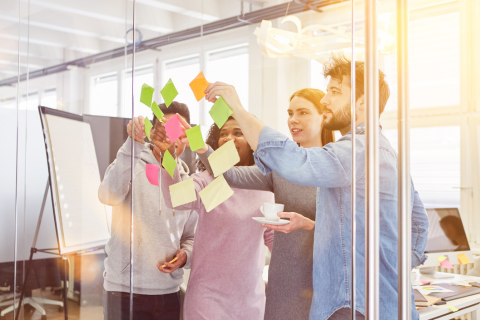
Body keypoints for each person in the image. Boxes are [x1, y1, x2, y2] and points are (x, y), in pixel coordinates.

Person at [203, 55, 429, 320]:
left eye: (334, 92)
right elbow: (418, 225)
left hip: (352, 305)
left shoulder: (358, 151)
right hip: (380, 302)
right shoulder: (386, 151)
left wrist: (239, 109)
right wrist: (388, 271)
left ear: (363, 103)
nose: (325, 100)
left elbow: (297, 162)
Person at [195, 88, 335, 320]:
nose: (293, 120)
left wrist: (310, 224)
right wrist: (202, 148)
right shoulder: (279, 169)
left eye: (303, 112)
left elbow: (352, 231)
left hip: (325, 280)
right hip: (283, 285)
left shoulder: (338, 167)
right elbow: (231, 175)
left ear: (324, 118)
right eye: (290, 113)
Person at [150, 116, 274, 320]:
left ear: (253, 143)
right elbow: (176, 198)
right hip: (207, 299)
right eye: (222, 134)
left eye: (237, 133)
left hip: (249, 301)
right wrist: (168, 155)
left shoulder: (265, 186)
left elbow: (274, 240)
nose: (228, 138)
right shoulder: (208, 180)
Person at [98, 102, 198, 320]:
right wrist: (132, 143)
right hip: (124, 290)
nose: (169, 136)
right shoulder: (131, 162)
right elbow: (107, 195)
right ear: (153, 132)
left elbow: (190, 235)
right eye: (163, 128)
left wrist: (185, 255)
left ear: (185, 138)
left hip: (169, 293)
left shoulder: (189, 182)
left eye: (176, 130)